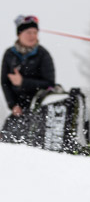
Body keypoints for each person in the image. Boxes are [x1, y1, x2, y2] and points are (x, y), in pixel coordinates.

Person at [1, 15, 56, 144]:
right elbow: (4, 82)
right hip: (18, 109)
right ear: (19, 34)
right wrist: (13, 105)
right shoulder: (9, 54)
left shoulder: (43, 54)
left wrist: (23, 82)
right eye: (28, 32)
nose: (32, 36)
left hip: (39, 109)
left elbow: (50, 84)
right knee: (6, 139)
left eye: (35, 32)